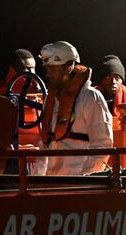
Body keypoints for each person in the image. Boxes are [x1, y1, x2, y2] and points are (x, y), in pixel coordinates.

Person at [34, 41, 113, 175]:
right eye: (47, 69)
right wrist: (37, 180)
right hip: (52, 182)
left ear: (69, 67)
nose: (47, 74)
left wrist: (87, 179)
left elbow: (103, 144)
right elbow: (44, 144)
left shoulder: (90, 97)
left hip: (78, 181)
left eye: (53, 69)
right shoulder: (50, 99)